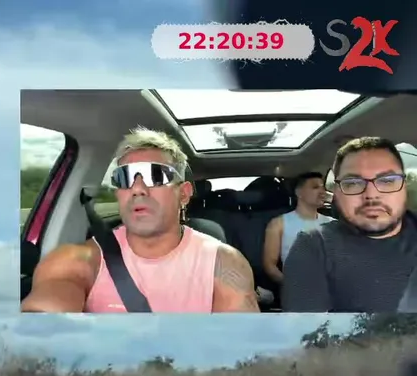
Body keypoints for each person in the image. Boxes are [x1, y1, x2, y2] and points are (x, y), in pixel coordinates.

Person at [21, 127, 258, 313]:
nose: (137, 189)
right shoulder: (76, 261)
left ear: (184, 194)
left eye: (155, 175)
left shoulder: (224, 263)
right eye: (124, 178)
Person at [283, 137, 417, 312]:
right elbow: (303, 327)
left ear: (404, 186)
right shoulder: (315, 245)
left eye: (387, 180)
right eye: (353, 183)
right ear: (337, 193)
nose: (371, 195)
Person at [262, 172, 330, 289]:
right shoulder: (278, 223)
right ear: (299, 193)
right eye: (315, 187)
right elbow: (270, 266)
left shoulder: (333, 224)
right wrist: (292, 285)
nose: (322, 192)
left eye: (323, 187)